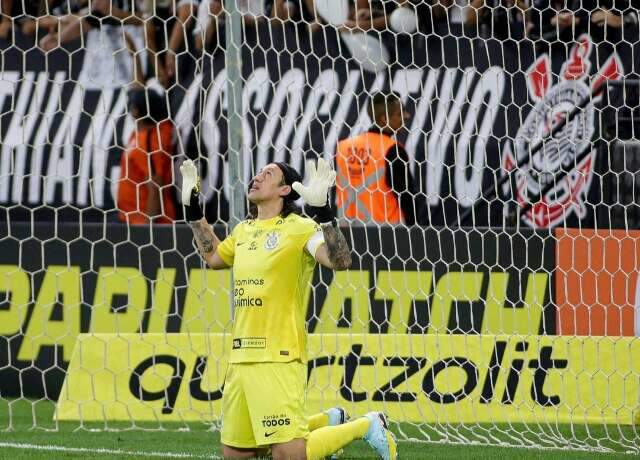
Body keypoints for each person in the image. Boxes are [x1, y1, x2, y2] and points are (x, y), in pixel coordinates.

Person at [180, 158, 398, 460]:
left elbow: (341, 260)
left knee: (288, 454)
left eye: (267, 174)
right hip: (241, 358)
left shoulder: (300, 228)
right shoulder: (245, 230)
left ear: (284, 189)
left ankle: (365, 425)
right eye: (257, 172)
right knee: (238, 455)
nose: (256, 177)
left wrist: (324, 213)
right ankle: (329, 420)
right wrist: (193, 213)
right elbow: (214, 256)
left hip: (278, 357)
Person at [335, 91, 426, 225]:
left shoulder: (343, 147)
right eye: (400, 113)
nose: (407, 116)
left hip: (347, 235)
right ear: (384, 119)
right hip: (387, 237)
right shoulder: (392, 150)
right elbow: (407, 198)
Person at [118, 88, 176, 224]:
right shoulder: (142, 133)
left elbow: (156, 186)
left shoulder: (149, 141)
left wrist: (147, 233)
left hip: (144, 223)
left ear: (136, 111)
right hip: (129, 218)